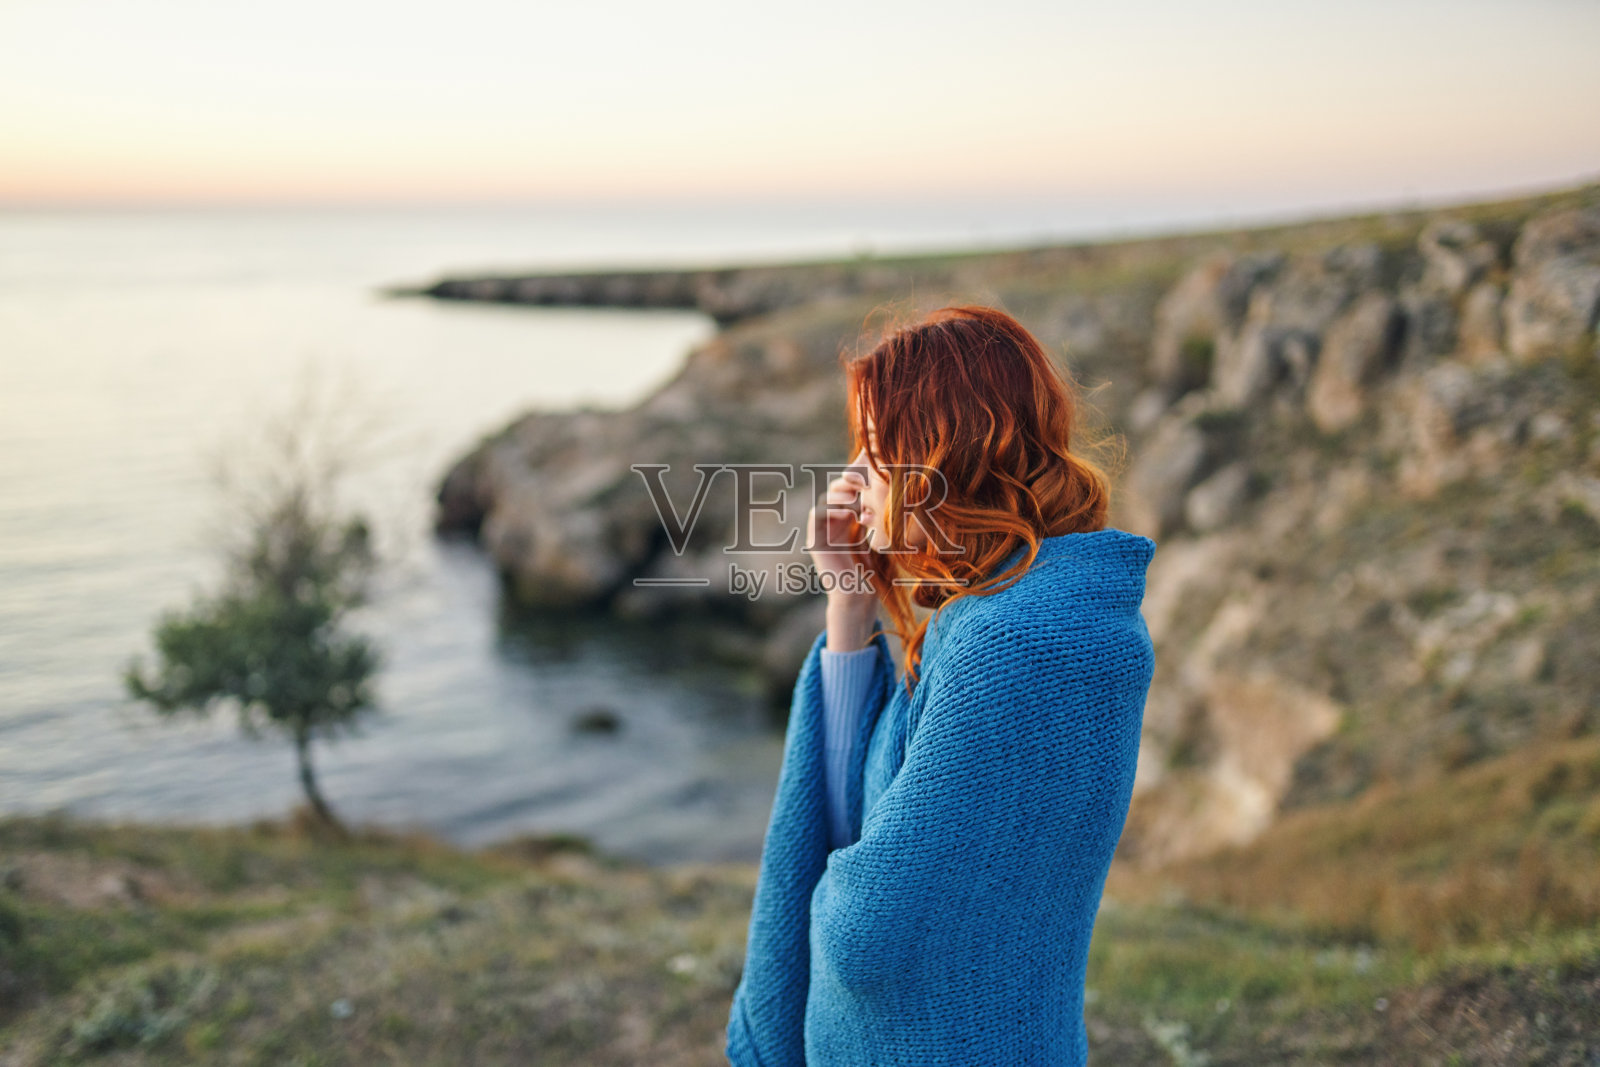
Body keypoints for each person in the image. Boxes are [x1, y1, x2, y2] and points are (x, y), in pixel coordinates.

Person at [725, 304, 1157, 1066]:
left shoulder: (1012, 642)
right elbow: (864, 822)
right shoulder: (1004, 612)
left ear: (943, 459)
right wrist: (850, 603)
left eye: (876, 449)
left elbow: (872, 929)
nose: (853, 478)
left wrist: (815, 896)